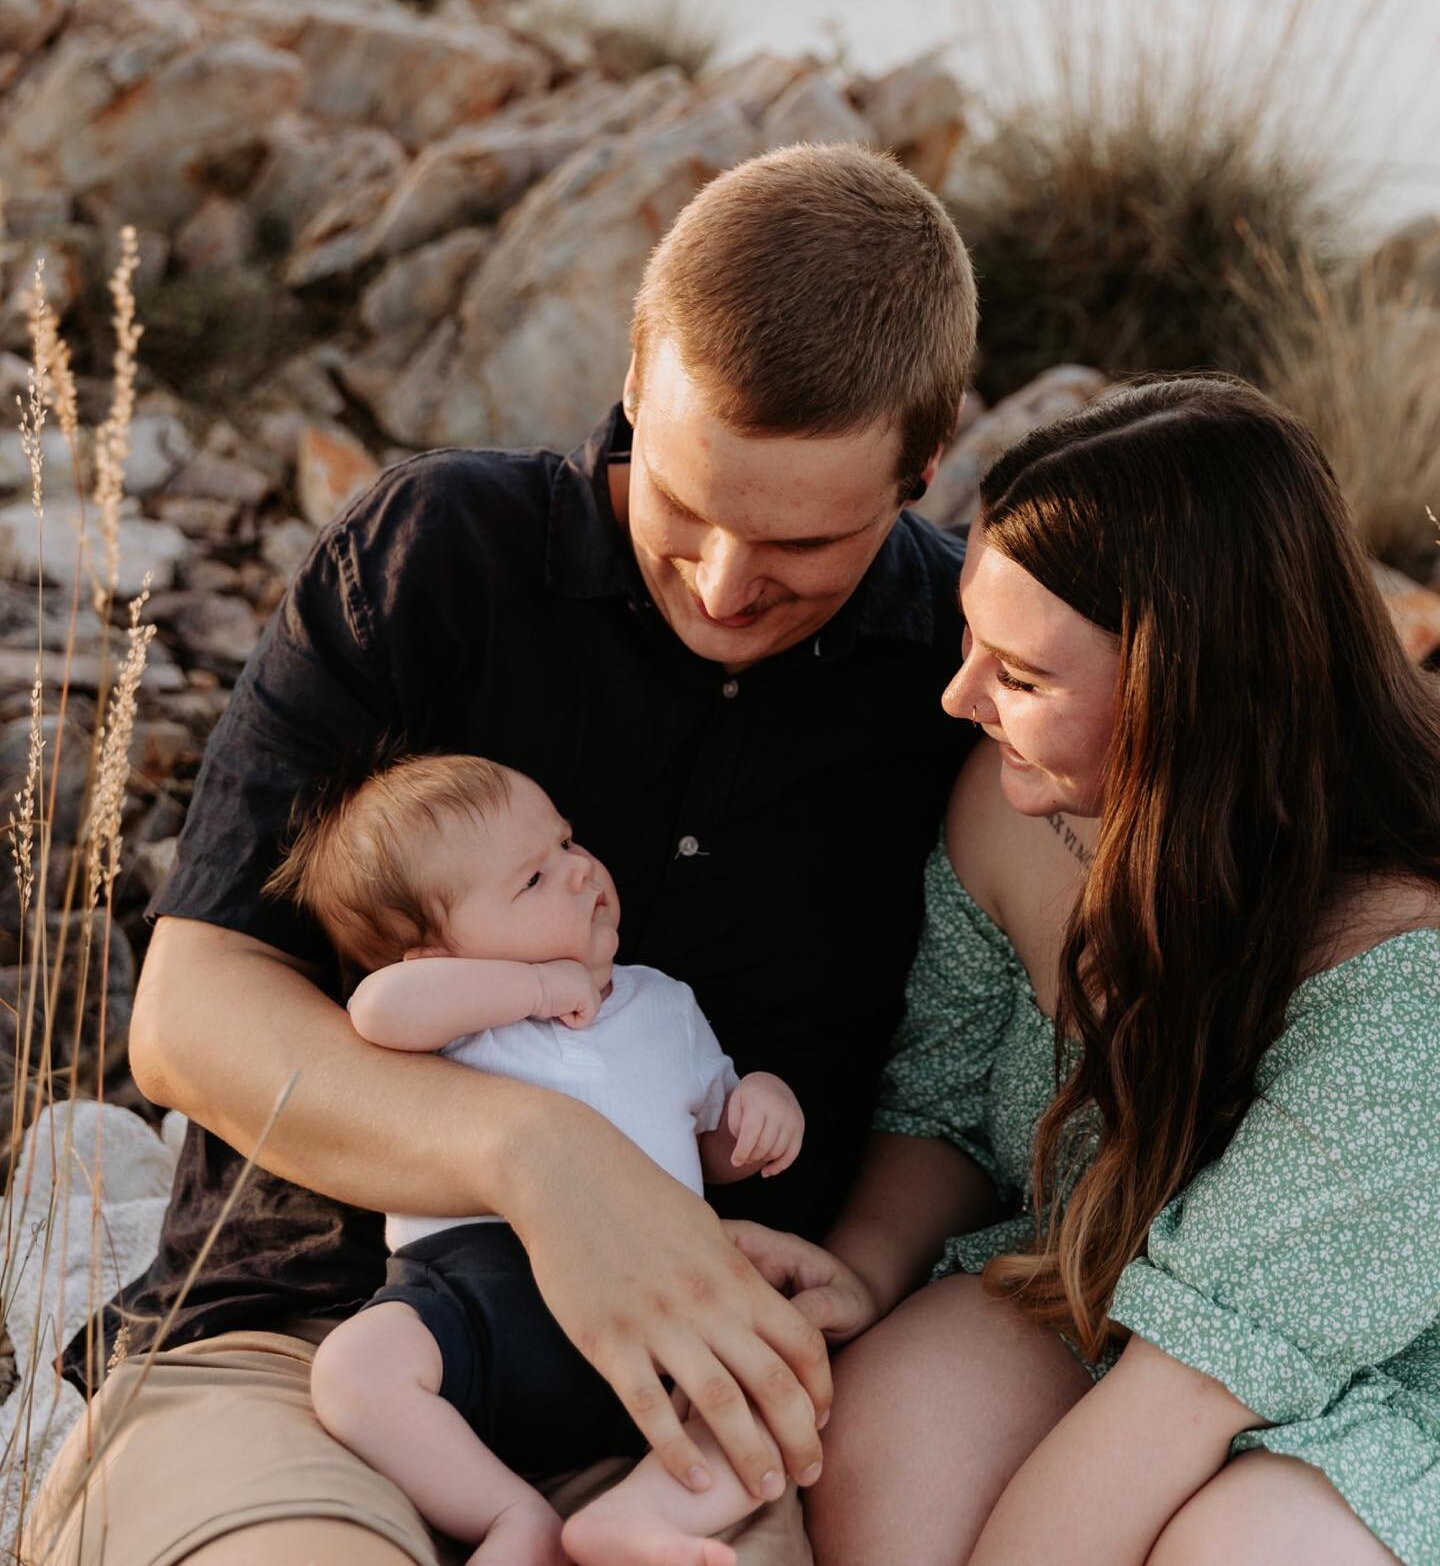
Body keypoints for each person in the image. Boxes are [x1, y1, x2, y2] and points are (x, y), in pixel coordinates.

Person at [28, 141, 979, 1565]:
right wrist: (544, 1164)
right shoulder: (440, 555)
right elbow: (187, 1018)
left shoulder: (971, 665)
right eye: (687, 507)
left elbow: (985, 1053)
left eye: (804, 542)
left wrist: (863, 1268)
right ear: (635, 384)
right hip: (312, 1348)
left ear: (923, 464)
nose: (727, 586)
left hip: (686, 1419)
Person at [731, 375, 1440, 1565]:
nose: (961, 698)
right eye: (971, 640)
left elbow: (1187, 1395)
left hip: (1363, 1367)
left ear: (1189, 699)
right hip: (1098, 1283)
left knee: (1242, 1553)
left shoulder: (1400, 984)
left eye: (1022, 676)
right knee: (891, 1444)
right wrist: (862, 1266)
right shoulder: (1013, 813)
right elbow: (943, 1109)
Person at [274, 752, 804, 1566]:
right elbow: (377, 1009)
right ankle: (506, 1515)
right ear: (435, 954)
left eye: (566, 842)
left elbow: (712, 1142)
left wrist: (758, 1106)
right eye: (531, 880)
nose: (578, 870)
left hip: (656, 1302)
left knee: (783, 1385)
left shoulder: (661, 1002)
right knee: (354, 1370)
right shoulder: (462, 1012)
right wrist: (534, 989)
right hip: (469, 1301)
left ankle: (636, 1517)